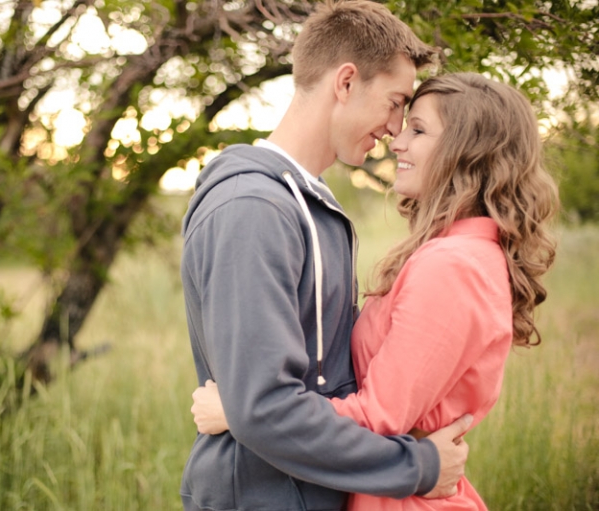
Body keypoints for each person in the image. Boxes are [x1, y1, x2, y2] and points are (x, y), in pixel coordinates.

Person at [190, 72, 560, 510]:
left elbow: (379, 417)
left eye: (418, 130)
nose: (397, 141)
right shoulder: (452, 253)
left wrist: (243, 416)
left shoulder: (454, 266)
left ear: (468, 152)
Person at [179, 2, 475, 510]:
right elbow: (266, 408)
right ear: (345, 82)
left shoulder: (312, 207)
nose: (395, 128)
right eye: (394, 101)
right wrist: (416, 467)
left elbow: (308, 382)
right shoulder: (252, 210)